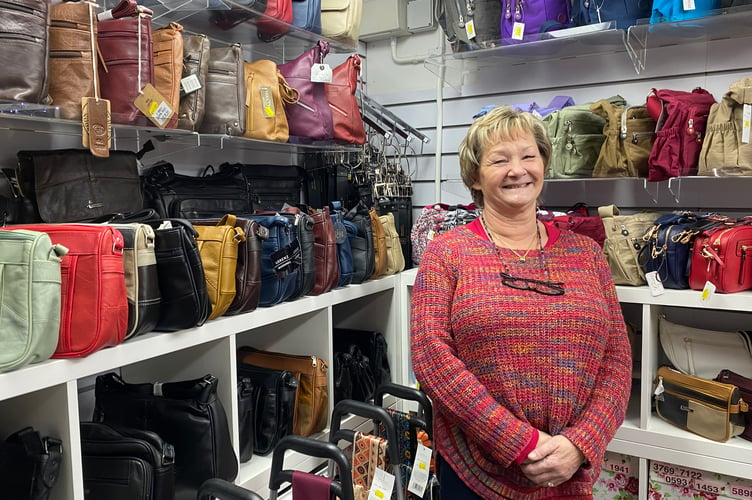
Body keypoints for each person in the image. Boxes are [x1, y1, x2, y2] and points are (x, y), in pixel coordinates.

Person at [410, 105, 632, 499]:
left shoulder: (587, 254)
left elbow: (616, 360)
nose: (518, 170)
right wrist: (520, 443)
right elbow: (431, 357)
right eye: (499, 160)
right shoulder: (448, 252)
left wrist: (582, 442)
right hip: (474, 474)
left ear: (544, 163)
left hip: (569, 471)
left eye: (528, 156)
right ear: (475, 178)